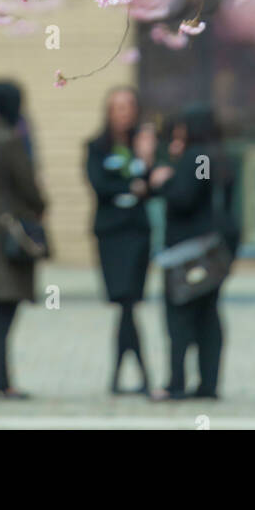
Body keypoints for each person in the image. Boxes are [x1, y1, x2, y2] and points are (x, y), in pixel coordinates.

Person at [149, 105, 238, 401]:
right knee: (208, 317)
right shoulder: (220, 157)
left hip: (188, 252)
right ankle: (208, 384)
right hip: (214, 251)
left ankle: (176, 383)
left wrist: (163, 181)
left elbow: (185, 197)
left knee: (179, 318)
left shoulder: (197, 157)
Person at [0, 80, 47, 397]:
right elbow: (28, 184)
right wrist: (41, 206)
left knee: (0, 307)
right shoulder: (11, 140)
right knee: (6, 305)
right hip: (11, 221)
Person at [86, 87, 156, 394]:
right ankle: (136, 374)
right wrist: (131, 184)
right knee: (124, 302)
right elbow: (100, 185)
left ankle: (124, 375)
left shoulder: (145, 144)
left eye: (128, 106)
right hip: (111, 234)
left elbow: (156, 184)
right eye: (117, 107)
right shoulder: (96, 147)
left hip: (137, 232)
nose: (123, 113)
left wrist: (146, 159)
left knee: (130, 302)